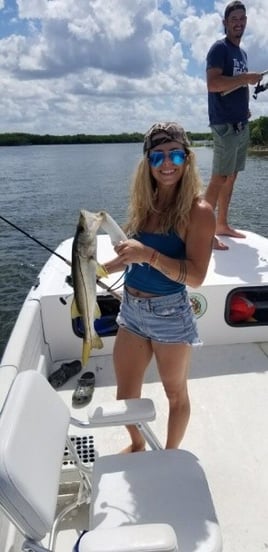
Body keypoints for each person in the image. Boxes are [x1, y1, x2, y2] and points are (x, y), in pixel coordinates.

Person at [102, 122, 215, 451]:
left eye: (175, 156)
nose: (167, 164)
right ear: (147, 163)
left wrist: (149, 255)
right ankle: (138, 444)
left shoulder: (199, 211)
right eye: (158, 157)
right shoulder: (144, 205)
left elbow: (195, 277)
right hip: (131, 311)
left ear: (187, 160)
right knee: (126, 394)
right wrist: (99, 269)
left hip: (169, 314)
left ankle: (170, 453)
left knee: (175, 393)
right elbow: (130, 257)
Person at [205, 0, 263, 250]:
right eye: (234, 19)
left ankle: (222, 224)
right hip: (225, 126)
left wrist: (244, 108)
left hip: (241, 123)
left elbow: (235, 85)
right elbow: (213, 84)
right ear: (225, 23)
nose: (238, 23)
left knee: (231, 178)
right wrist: (246, 78)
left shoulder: (242, 53)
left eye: (242, 18)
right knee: (218, 178)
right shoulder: (220, 49)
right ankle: (203, 232)